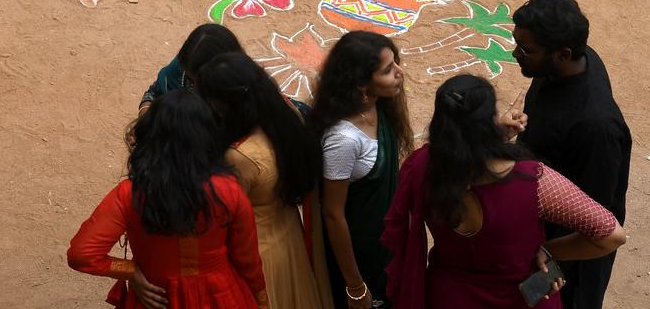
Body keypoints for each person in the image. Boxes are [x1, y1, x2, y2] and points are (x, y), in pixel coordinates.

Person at [382, 75, 626, 309]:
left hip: (448, 296)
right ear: (487, 124)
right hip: (518, 298)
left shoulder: (418, 167)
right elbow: (612, 236)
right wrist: (549, 250)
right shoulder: (534, 181)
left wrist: (495, 136)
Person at [68, 90, 269, 309]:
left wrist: (130, 271)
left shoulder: (129, 193)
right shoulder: (229, 190)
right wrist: (261, 301)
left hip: (155, 297)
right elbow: (247, 260)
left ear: (149, 134)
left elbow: (82, 254)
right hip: (220, 295)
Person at [510, 0, 631, 309]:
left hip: (569, 259)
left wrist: (549, 252)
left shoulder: (596, 129)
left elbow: (598, 227)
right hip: (541, 233)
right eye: (516, 43)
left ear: (562, 54)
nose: (515, 53)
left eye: (526, 50)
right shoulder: (572, 61)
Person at [198, 52, 335, 309]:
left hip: (257, 256)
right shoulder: (288, 114)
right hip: (289, 240)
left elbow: (222, 221)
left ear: (225, 104)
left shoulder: (239, 156)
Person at [310, 31, 413, 309]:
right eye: (388, 70)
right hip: (362, 258)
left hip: (387, 246)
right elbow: (333, 214)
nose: (400, 73)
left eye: (396, 63)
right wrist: (355, 285)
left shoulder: (379, 107)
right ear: (361, 84)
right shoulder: (343, 139)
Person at [138, 23, 243, 114]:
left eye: (201, 82)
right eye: (190, 79)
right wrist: (144, 117)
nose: (194, 88)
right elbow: (153, 94)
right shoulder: (181, 67)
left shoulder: (245, 97)